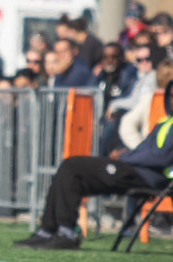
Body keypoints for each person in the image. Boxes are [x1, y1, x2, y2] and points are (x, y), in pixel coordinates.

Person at [14, 78, 173, 250]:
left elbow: (162, 158)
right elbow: (145, 151)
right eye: (171, 95)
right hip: (134, 170)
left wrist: (125, 157)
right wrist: (125, 153)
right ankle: (48, 230)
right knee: (69, 169)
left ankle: (66, 233)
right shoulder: (165, 122)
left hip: (147, 177)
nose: (172, 100)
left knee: (73, 166)